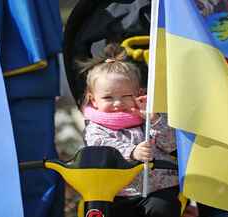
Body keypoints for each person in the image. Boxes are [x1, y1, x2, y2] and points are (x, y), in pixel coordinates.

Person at [79, 43, 198, 217]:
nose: (117, 103)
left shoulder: (148, 118)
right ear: (93, 99)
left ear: (139, 93)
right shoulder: (95, 127)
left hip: (159, 187)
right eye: (108, 97)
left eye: (126, 96)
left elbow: (171, 144)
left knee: (162, 209)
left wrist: (155, 120)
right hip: (117, 192)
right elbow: (101, 145)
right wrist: (132, 151)